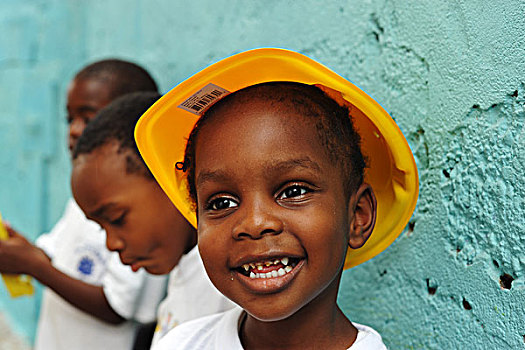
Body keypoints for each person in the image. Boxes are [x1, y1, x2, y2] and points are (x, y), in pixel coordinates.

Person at [134, 49, 419, 349]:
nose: (255, 223)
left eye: (293, 191)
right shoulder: (180, 343)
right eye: (221, 203)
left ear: (357, 216)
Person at [0, 59, 167, 350]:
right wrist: (19, 252)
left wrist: (37, 268)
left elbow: (118, 309)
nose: (75, 130)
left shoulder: (140, 214)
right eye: (70, 119)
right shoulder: (85, 199)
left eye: (89, 119)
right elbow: (56, 260)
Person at [70, 92, 236, 347]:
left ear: (172, 177)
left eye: (117, 219)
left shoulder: (230, 283)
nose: (111, 244)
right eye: (101, 228)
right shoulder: (184, 268)